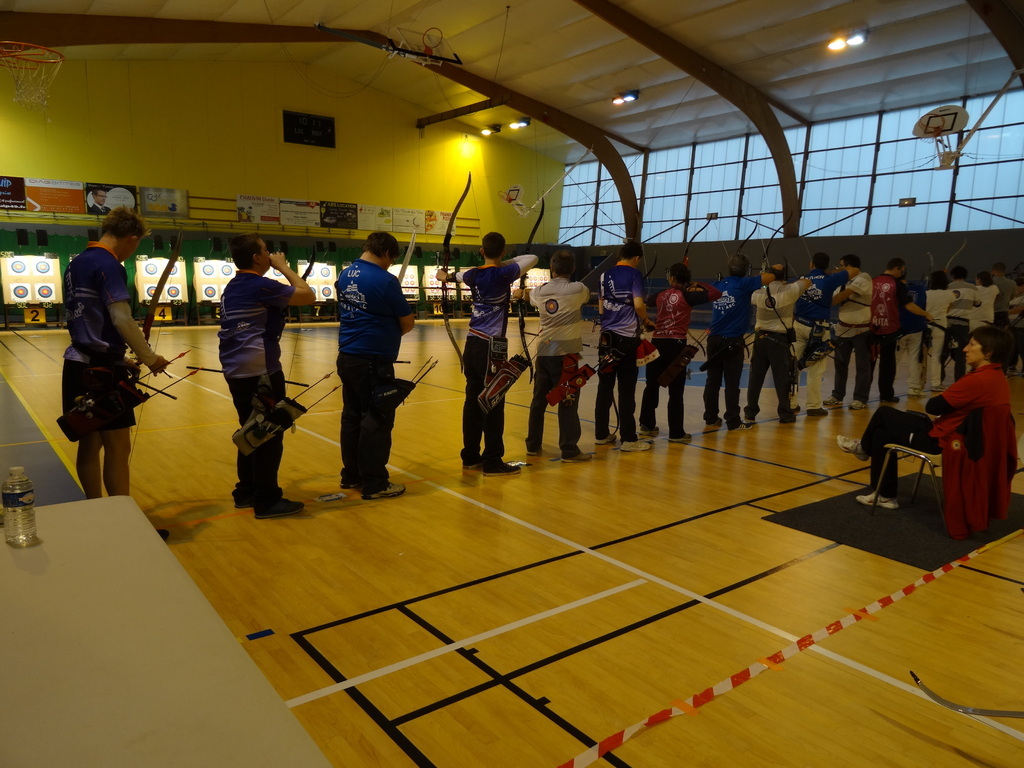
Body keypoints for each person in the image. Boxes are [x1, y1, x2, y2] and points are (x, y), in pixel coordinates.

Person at [837, 326, 1013, 519]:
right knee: (881, 434)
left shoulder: (977, 380)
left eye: (972, 345)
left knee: (884, 413)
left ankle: (864, 449)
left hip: (942, 443)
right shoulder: (998, 377)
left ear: (988, 352)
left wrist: (947, 396)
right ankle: (885, 495)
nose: (965, 349)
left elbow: (933, 407)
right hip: (960, 438)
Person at [61, 207, 172, 501]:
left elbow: (90, 321)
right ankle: (124, 516)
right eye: (136, 245)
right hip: (101, 373)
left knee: (90, 443)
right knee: (118, 446)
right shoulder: (108, 264)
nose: (131, 252)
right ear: (131, 238)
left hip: (77, 363)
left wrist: (121, 358)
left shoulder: (76, 263)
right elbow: (121, 318)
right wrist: (150, 358)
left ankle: (96, 509)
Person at [219, 233, 315, 518]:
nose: (271, 254)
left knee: (250, 428)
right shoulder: (259, 284)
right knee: (268, 432)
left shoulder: (235, 285)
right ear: (257, 257)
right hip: (259, 370)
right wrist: (283, 267)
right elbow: (308, 295)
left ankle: (246, 491)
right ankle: (267, 500)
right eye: (266, 251)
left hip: (237, 368)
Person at [436, 231, 537, 476]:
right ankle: (492, 461)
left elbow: (453, 276)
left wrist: (444, 275)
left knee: (472, 401)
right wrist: (503, 261)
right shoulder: (504, 273)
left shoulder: (473, 274)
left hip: (472, 344)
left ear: (481, 251)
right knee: (494, 401)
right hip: (492, 348)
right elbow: (532, 258)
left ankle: (470, 456)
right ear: (503, 252)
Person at [336, 232, 416, 498]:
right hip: (372, 360)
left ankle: (352, 476)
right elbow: (407, 322)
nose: (390, 264)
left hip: (348, 356)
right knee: (377, 418)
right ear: (387, 253)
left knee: (352, 417)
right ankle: (375, 483)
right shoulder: (385, 280)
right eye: (391, 260)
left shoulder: (345, 274)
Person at [519, 249, 591, 461]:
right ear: (573, 268)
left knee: (539, 401)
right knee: (568, 401)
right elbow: (586, 297)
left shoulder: (539, 291)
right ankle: (569, 450)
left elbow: (529, 297)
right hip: (566, 357)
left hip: (544, 353)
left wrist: (522, 293)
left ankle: (533, 445)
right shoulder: (578, 289)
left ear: (552, 268)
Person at [639, 262, 721, 442]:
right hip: (676, 345)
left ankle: (646, 425)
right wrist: (696, 284)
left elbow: (646, 301)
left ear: (671, 278)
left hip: (657, 343)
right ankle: (676, 433)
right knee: (675, 391)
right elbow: (716, 293)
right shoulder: (689, 295)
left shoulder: (660, 295)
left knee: (651, 385)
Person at [703, 252, 776, 430]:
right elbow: (770, 277)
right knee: (732, 383)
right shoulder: (744, 283)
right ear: (746, 269)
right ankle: (733, 421)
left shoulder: (718, 284)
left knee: (712, 380)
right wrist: (763, 273)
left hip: (714, 339)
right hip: (731, 341)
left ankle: (711, 417)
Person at [594, 241, 654, 451]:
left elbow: (601, 308)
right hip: (627, 340)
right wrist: (646, 320)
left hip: (606, 339)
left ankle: (601, 434)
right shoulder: (635, 275)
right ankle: (628, 439)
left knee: (605, 387)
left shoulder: (604, 275)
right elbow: (638, 304)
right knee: (626, 390)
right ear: (636, 258)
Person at [791, 252, 856, 416]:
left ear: (811, 264)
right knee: (816, 368)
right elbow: (854, 270)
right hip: (820, 329)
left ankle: (790, 404)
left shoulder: (801, 280)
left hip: (799, 325)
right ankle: (813, 406)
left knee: (793, 365)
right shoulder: (830, 279)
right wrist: (833, 272)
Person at [744, 267, 810, 424]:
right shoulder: (790, 290)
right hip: (779, 341)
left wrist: (764, 280)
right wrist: (788, 283)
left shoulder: (758, 292)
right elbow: (807, 281)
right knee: (782, 378)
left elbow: (751, 295)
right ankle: (785, 414)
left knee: (755, 377)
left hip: (760, 339)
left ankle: (750, 412)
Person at [869, 257, 932, 404]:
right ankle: (886, 395)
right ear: (897, 268)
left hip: (872, 327)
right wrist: (926, 314)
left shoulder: (872, 281)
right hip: (889, 329)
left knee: (869, 363)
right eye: (902, 270)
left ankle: (861, 396)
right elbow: (909, 306)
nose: (902, 273)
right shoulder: (897, 283)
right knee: (887, 364)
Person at [825, 254, 873, 410]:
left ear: (850, 267)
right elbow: (833, 297)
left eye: (842, 265)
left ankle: (860, 398)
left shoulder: (863, 277)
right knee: (840, 364)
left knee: (862, 366)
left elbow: (838, 298)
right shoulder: (842, 281)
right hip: (842, 329)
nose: (839, 268)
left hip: (861, 330)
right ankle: (837, 395)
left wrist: (833, 278)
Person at [923, 270, 958, 392]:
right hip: (940, 325)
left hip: (926, 325)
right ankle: (936, 383)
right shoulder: (950, 294)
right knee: (936, 355)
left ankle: (917, 383)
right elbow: (950, 307)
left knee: (920, 355)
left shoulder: (926, 293)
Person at [896, 276, 928, 397]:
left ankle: (888, 388)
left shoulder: (895, 289)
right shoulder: (920, 289)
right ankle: (914, 388)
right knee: (914, 359)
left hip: (899, 329)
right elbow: (924, 306)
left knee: (894, 360)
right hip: (917, 328)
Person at [945, 265, 977, 381]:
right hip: (962, 325)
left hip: (946, 323)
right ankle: (959, 380)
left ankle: (938, 380)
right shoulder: (972, 288)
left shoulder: (947, 287)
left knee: (942, 353)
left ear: (953, 275)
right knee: (961, 355)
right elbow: (978, 303)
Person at [990, 262, 1016, 327]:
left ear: (994, 271)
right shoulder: (1012, 283)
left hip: (991, 313)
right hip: (1004, 313)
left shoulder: (990, 282)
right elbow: (1013, 296)